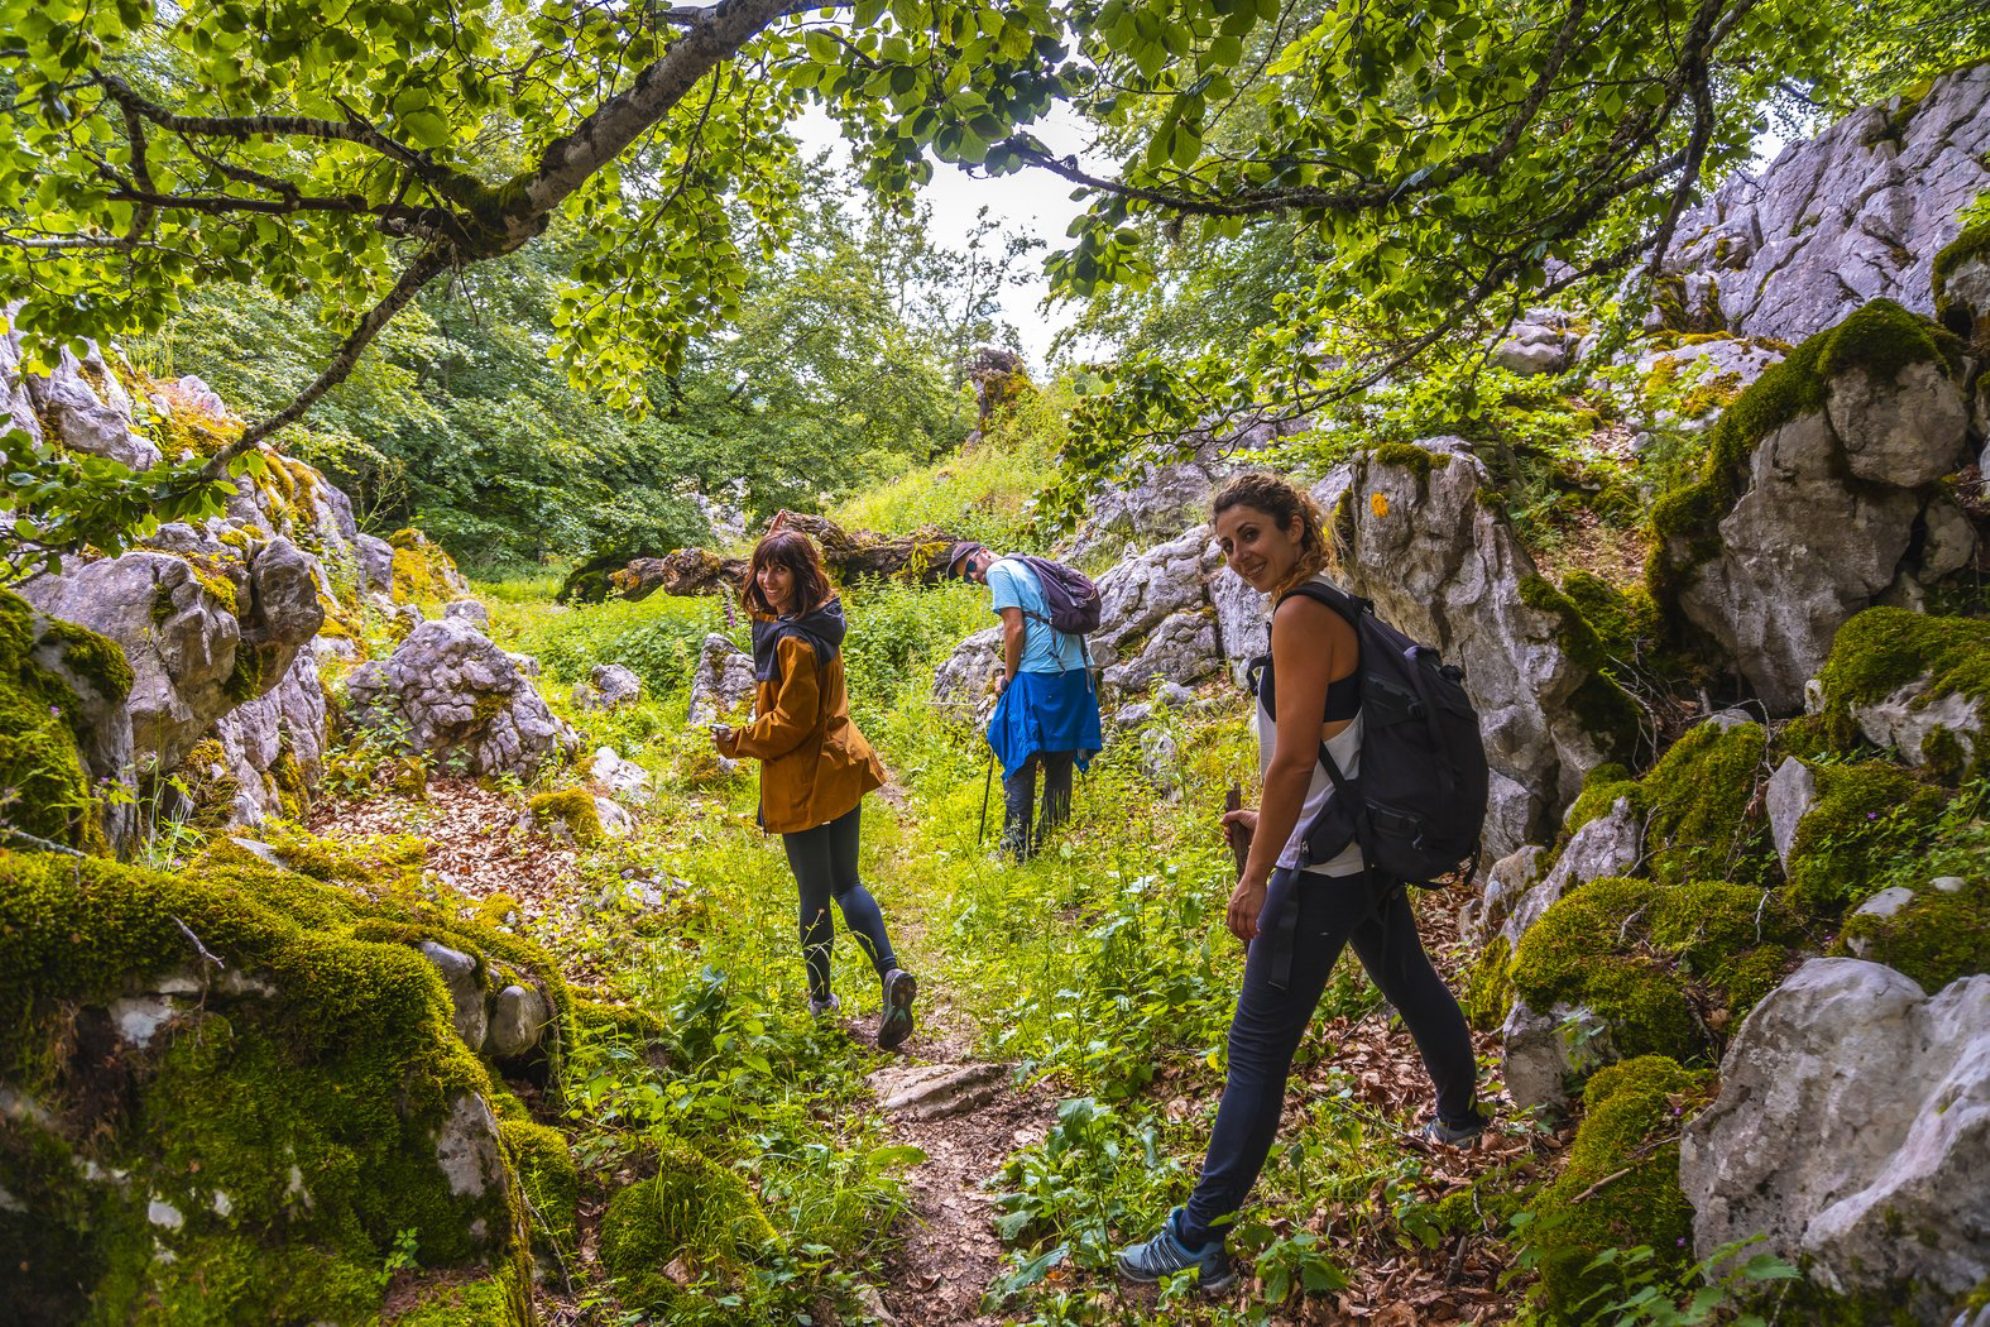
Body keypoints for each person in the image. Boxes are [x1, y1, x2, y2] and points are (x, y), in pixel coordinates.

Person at [1115, 473, 1485, 1293]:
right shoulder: (1330, 602)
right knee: (1408, 977)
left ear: (1292, 526)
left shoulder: (1298, 614)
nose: (1238, 554)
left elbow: (1291, 760)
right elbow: (1331, 747)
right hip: (1357, 848)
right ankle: (1460, 1118)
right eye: (1225, 544)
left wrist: (1257, 874)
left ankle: (1197, 1236)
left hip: (1320, 866)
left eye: (1250, 534)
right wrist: (1272, 825)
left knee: (1255, 1048)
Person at [713, 530, 917, 1049]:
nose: (766, 580)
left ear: (801, 574)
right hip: (841, 763)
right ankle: (891, 972)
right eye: (762, 568)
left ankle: (822, 1001)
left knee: (815, 895)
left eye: (779, 569)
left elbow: (791, 723)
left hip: (805, 778)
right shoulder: (821, 616)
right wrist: (774, 543)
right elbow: (762, 608)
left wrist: (738, 740)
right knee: (848, 883)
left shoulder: (794, 642)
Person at [947, 540, 1103, 861]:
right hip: (1075, 673)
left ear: (984, 553)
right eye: (967, 578)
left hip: (1040, 675)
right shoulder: (1026, 565)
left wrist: (1007, 677)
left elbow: (1014, 627)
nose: (974, 577)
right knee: (1059, 759)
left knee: (1019, 754)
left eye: (971, 567)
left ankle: (1014, 849)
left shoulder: (1000, 571)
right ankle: (1051, 845)